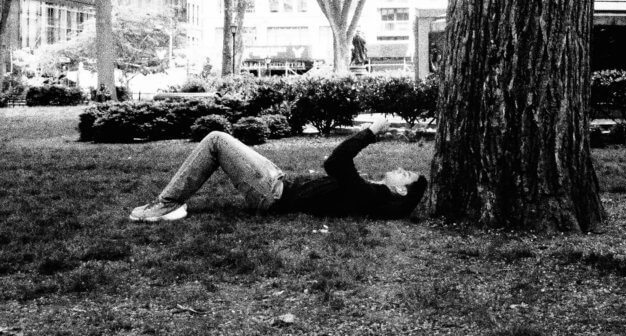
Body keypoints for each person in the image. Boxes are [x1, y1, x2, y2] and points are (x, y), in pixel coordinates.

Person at [129, 117, 427, 222]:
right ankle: (170, 203)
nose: (400, 168)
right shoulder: (370, 194)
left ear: (399, 190)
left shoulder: (368, 196)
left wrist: (371, 133)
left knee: (216, 140)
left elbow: (336, 163)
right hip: (278, 181)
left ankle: (164, 206)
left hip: (272, 193)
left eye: (406, 174)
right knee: (219, 140)